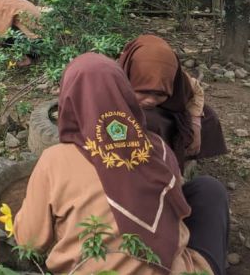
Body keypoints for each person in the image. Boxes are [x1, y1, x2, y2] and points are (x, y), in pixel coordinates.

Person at [14, 54, 229, 275]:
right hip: (172, 269)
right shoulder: (158, 148)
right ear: (125, 95)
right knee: (209, 190)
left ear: (68, 99)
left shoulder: (54, 160)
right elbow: (176, 209)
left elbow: (29, 243)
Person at [117, 35, 227, 168]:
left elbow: (195, 90)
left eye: (160, 93)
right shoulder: (116, 78)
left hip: (169, 109)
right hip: (134, 116)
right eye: (144, 91)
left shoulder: (172, 74)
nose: (151, 100)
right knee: (149, 122)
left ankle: (186, 155)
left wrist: (195, 126)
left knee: (208, 115)